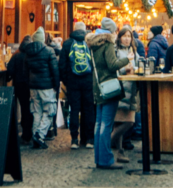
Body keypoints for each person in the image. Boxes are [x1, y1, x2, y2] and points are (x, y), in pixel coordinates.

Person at [88, 17, 131, 169]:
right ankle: (106, 159)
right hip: (109, 88)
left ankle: (99, 158)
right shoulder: (107, 44)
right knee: (106, 125)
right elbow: (112, 65)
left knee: (99, 124)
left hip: (98, 87)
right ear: (111, 31)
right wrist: (127, 60)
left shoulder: (94, 44)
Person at [58, 21, 95, 150]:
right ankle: (88, 139)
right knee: (88, 109)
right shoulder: (89, 43)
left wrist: (66, 81)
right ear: (84, 30)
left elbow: (62, 65)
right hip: (87, 81)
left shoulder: (67, 43)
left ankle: (74, 139)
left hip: (73, 82)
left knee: (75, 110)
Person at [23, 27, 60, 149]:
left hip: (33, 87)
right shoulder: (49, 51)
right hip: (47, 86)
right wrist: (56, 85)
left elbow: (25, 71)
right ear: (43, 39)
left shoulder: (28, 52)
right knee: (49, 111)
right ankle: (40, 135)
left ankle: (35, 135)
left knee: (36, 112)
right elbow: (54, 70)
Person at [111, 27, 138, 163]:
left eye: (129, 36)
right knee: (119, 122)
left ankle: (110, 140)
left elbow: (137, 65)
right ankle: (119, 151)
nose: (127, 38)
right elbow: (112, 68)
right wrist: (123, 69)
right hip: (120, 91)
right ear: (120, 37)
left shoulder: (133, 51)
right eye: (124, 36)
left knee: (130, 122)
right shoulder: (115, 51)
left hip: (131, 90)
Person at [6, 36, 33, 144]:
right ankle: (28, 132)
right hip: (29, 85)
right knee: (28, 109)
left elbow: (10, 70)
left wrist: (9, 78)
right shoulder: (31, 55)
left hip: (18, 85)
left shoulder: (16, 55)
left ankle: (19, 131)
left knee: (20, 108)